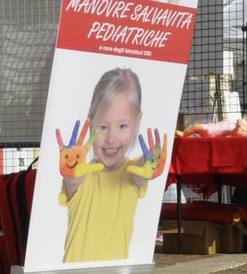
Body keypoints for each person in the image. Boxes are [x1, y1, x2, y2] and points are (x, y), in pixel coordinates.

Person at [55, 67, 165, 263]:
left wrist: (153, 162)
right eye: (103, 127)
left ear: (137, 121)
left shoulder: (133, 174)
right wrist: (70, 167)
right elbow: (73, 177)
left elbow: (145, 167)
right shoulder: (82, 177)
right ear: (90, 125)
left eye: (122, 126)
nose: (111, 138)